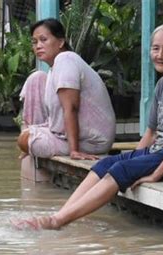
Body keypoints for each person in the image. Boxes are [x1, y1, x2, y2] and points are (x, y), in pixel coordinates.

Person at [14, 23, 163, 230]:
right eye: (155, 48)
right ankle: (62, 213)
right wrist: (137, 160)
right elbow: (150, 132)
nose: (160, 55)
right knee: (106, 164)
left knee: (121, 169)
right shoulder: (162, 84)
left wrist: (154, 174)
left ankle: (57, 222)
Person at [17, 18, 116, 161]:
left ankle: (36, 143)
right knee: (36, 79)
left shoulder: (65, 59)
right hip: (67, 135)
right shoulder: (53, 69)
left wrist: (74, 151)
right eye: (34, 42)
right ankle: (33, 141)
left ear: (61, 42)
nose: (38, 46)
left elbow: (71, 108)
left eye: (43, 40)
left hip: (92, 141)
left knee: (24, 140)